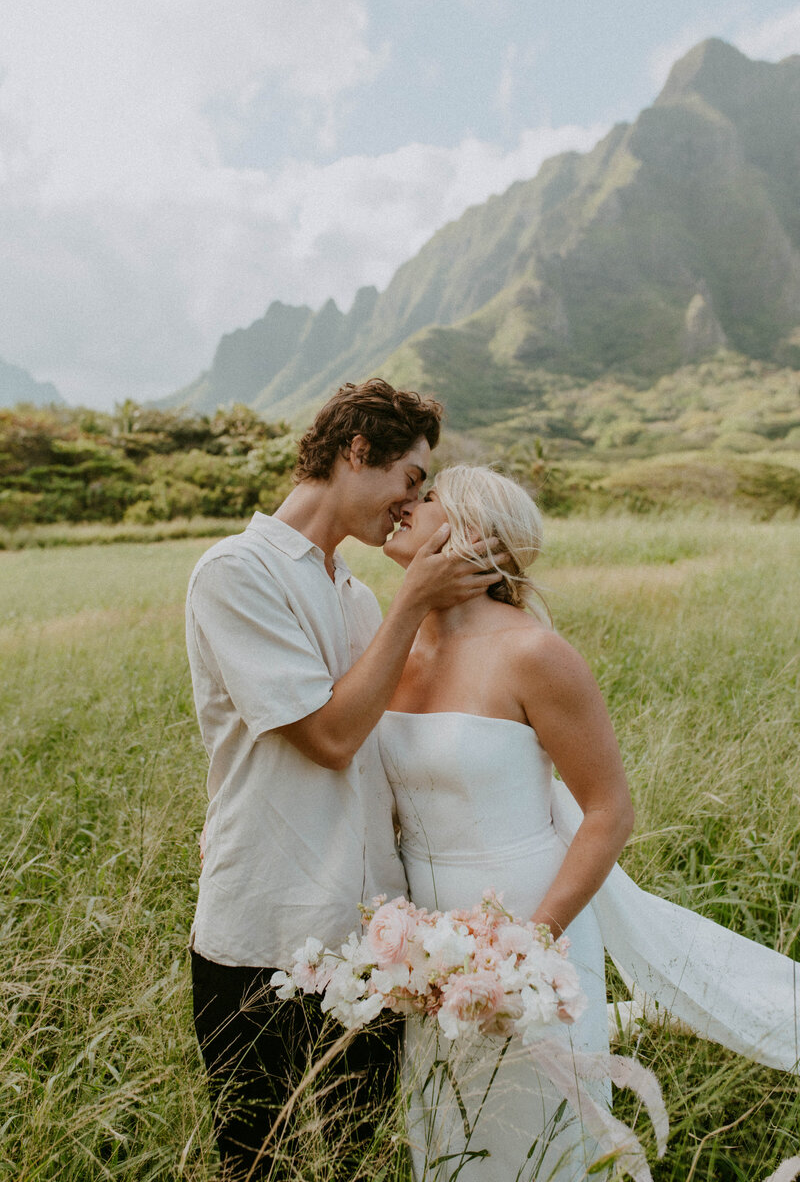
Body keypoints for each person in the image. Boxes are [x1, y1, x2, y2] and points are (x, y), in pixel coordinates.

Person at [378, 464, 800, 1181]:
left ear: (474, 534)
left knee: (539, 1129)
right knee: (448, 1128)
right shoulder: (394, 643)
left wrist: (530, 947)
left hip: (528, 912)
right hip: (419, 933)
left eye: (428, 499)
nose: (405, 506)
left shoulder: (534, 654)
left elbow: (609, 812)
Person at [185, 381, 504, 1179]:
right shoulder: (236, 572)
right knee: (257, 1161)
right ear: (356, 453)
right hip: (264, 929)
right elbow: (328, 737)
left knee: (356, 1158)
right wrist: (411, 605)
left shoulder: (354, 594)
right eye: (410, 479)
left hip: (372, 941)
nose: (411, 506)